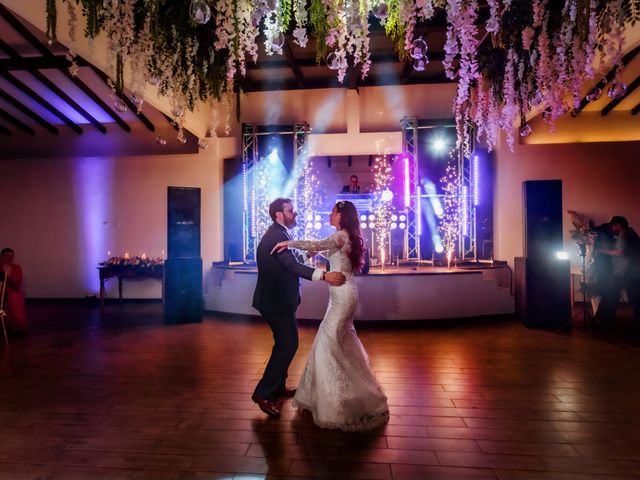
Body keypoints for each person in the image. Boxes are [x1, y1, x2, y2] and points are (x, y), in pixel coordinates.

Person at [272, 200, 389, 431]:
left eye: (333, 212)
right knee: (339, 342)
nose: (329, 215)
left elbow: (316, 243)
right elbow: (320, 252)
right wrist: (311, 253)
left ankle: (336, 402)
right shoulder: (343, 238)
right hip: (341, 294)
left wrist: (289, 242)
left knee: (328, 341)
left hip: (343, 295)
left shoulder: (340, 236)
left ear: (341, 216)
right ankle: (339, 393)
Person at [252, 198, 346, 418]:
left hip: (280, 301)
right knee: (288, 345)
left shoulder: (281, 234)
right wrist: (324, 275)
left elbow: (288, 261)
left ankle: (276, 387)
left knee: (285, 344)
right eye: (291, 211)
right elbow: (291, 266)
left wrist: (307, 254)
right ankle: (263, 393)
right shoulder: (277, 235)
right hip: (275, 302)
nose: (295, 214)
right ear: (279, 214)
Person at [594, 216, 640, 329]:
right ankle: (604, 321)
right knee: (634, 298)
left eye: (613, 226)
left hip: (626, 272)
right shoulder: (630, 234)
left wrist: (600, 250)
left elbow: (620, 252)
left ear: (618, 225)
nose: (612, 228)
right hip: (631, 272)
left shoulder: (625, 234)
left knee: (610, 294)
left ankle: (602, 321)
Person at [0, 248, 28, 334]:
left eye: (11, 256)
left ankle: (14, 326)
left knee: (13, 297)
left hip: (12, 290)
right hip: (0, 289)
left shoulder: (17, 268)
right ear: (1, 256)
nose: (9, 257)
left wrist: (7, 277)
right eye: (6, 255)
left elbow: (18, 281)